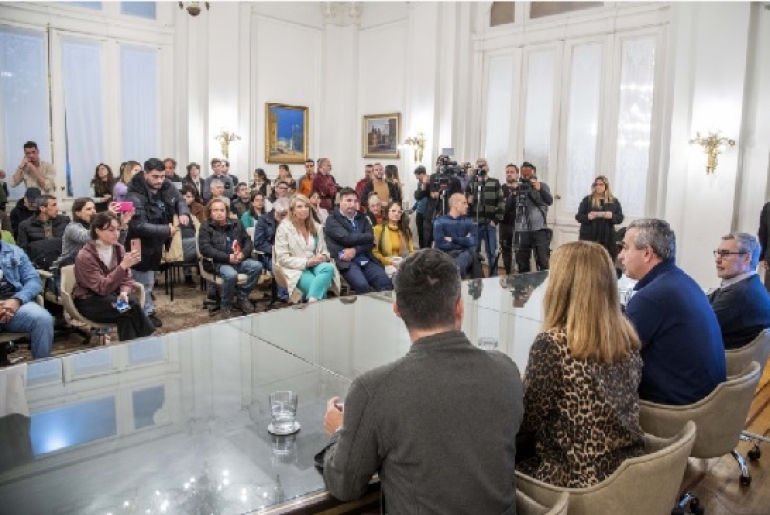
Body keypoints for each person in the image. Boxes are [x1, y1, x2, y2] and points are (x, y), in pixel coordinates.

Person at [321, 249, 523, 513]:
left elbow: (344, 485)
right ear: (459, 306)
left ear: (396, 309)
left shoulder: (373, 390)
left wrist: (340, 431)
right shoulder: (507, 371)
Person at [517, 241, 644, 488]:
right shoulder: (626, 337)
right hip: (626, 473)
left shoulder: (552, 344)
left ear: (561, 286)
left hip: (576, 480)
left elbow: (526, 420)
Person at [619, 218, 726, 405]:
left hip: (678, 409)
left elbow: (614, 351)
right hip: (705, 400)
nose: (621, 256)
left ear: (647, 253)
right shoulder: (680, 280)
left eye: (626, 248)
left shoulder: (653, 296)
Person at [124, 158, 191, 328]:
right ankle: (144, 314)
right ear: (145, 174)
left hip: (157, 241)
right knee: (141, 282)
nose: (159, 180)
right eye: (155, 177)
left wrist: (183, 213)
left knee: (150, 279)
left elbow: (180, 200)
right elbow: (137, 225)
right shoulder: (132, 195)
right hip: (138, 242)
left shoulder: (166, 185)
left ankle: (144, 310)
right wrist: (166, 230)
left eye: (162, 176)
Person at [72, 212, 155, 343]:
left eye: (118, 229)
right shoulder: (85, 256)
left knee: (126, 313)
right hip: (90, 301)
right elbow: (102, 288)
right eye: (111, 230)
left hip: (112, 297)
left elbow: (127, 278)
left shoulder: (118, 248)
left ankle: (132, 350)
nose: (116, 233)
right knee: (131, 306)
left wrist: (124, 292)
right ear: (98, 231)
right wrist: (122, 266)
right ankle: (148, 341)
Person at [197, 199, 262, 317]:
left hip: (239, 259)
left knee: (257, 266)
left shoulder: (237, 223)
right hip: (219, 263)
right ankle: (226, 305)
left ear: (226, 212)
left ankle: (242, 297)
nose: (219, 213)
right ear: (210, 213)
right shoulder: (205, 227)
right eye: (215, 210)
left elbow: (248, 241)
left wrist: (243, 253)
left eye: (222, 210)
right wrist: (228, 257)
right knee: (231, 275)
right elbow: (206, 249)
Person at [324, 188, 392, 294]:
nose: (352, 204)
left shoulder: (362, 218)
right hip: (346, 261)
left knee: (385, 282)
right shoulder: (332, 219)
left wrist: (355, 250)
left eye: (355, 201)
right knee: (362, 285)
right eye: (348, 200)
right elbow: (347, 239)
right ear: (340, 202)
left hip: (365, 257)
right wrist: (369, 236)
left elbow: (371, 244)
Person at [709, 233, 770, 349]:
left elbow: (698, 325)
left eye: (725, 254)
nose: (718, 260)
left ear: (747, 258)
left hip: (723, 356)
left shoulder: (741, 293)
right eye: (718, 253)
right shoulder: (750, 284)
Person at [274, 194, 340, 303]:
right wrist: (307, 262)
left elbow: (324, 250)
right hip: (296, 268)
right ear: (292, 210)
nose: (304, 209)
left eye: (306, 206)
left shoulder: (316, 227)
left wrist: (323, 256)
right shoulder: (284, 228)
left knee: (328, 268)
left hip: (315, 263)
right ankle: (315, 304)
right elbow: (282, 259)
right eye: (299, 207)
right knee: (318, 288)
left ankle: (312, 301)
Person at [0, 240, 54, 360]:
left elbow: (34, 280)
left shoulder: (15, 252)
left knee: (43, 319)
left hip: (15, 304)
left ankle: (42, 367)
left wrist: (17, 300)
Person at [466, 158, 504, 276]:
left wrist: (495, 220)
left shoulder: (495, 182)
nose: (481, 168)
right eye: (479, 166)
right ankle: (476, 276)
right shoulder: (472, 183)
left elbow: (501, 202)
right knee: (474, 252)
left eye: (483, 166)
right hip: (475, 223)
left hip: (489, 223)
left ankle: (493, 277)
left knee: (492, 252)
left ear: (487, 167)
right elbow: (465, 202)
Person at [513, 162, 553, 273]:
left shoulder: (542, 186)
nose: (526, 176)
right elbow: (510, 208)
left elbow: (549, 201)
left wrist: (539, 189)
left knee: (543, 261)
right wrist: (513, 193)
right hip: (522, 230)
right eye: (523, 173)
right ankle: (524, 283)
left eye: (528, 173)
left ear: (534, 174)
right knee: (522, 262)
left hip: (539, 229)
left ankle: (544, 282)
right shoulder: (519, 187)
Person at [575, 175, 624, 261]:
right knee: (588, 260)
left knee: (606, 261)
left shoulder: (614, 201)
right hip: (589, 236)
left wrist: (612, 216)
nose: (598, 187)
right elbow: (578, 217)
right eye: (596, 184)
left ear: (606, 186)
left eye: (601, 184)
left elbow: (620, 218)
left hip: (607, 237)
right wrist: (588, 217)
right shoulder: (587, 200)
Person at [434, 193, 480, 279]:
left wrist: (453, 239)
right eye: (464, 203)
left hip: (465, 254)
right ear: (455, 205)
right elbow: (440, 244)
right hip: (446, 254)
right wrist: (464, 241)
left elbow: (473, 242)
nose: (467, 206)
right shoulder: (440, 222)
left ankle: (454, 275)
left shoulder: (469, 222)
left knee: (465, 256)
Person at [17, 195, 70, 270]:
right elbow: (22, 251)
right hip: (39, 267)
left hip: (63, 265)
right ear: (42, 208)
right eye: (54, 205)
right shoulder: (25, 226)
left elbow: (71, 245)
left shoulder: (64, 221)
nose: (57, 209)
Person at [422, 156, 463, 249]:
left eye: (445, 164)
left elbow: (459, 197)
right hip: (432, 213)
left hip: (448, 213)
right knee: (428, 240)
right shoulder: (433, 177)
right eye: (440, 164)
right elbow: (430, 193)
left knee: (447, 241)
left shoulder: (455, 180)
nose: (442, 167)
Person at [254, 197, 290, 302]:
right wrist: (275, 250)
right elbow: (258, 243)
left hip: (288, 253)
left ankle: (302, 293)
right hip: (269, 255)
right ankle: (285, 296)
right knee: (280, 267)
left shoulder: (289, 220)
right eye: (281, 214)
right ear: (275, 211)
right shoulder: (263, 220)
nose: (284, 217)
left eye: (286, 214)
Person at [373, 201, 414, 276]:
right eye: (393, 211)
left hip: (403, 262)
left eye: (399, 212)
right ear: (387, 212)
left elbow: (411, 251)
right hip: (385, 263)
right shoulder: (378, 229)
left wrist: (406, 263)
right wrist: (390, 263)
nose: (396, 214)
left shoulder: (405, 231)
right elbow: (375, 252)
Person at [500, 163, 519, 275]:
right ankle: (508, 274)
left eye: (512, 172)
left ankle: (520, 275)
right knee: (505, 250)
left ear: (517, 174)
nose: (509, 174)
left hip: (519, 224)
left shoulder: (522, 188)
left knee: (519, 251)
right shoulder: (501, 188)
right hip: (504, 224)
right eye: (507, 172)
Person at [412, 166, 429, 248]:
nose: (416, 177)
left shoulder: (429, 182)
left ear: (422, 174)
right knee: (420, 233)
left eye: (417, 175)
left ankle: (426, 250)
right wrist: (413, 208)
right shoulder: (419, 183)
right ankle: (421, 250)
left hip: (427, 213)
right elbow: (418, 198)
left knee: (426, 234)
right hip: (419, 212)